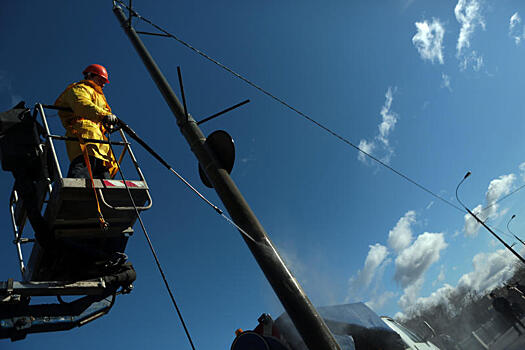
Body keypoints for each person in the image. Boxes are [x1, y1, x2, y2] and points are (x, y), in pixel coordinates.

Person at [55, 64, 118, 179]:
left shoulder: (99, 97)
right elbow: (81, 104)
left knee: (104, 178)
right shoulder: (80, 89)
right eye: (101, 79)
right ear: (90, 75)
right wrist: (104, 116)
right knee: (82, 170)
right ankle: (73, 195)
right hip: (83, 135)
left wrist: (107, 122)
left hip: (99, 143)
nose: (103, 84)